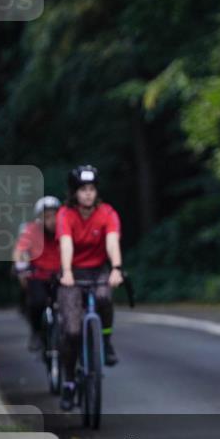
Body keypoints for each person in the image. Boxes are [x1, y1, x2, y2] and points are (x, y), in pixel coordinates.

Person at [56, 165, 124, 411]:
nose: (87, 194)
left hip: (99, 271)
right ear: (74, 192)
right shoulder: (65, 214)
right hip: (72, 273)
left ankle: (105, 342)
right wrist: (66, 272)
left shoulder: (107, 213)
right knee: (72, 331)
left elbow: (112, 242)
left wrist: (116, 268)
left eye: (91, 189)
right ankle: (70, 382)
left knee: (105, 298)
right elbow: (66, 244)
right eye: (82, 190)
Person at [12, 196, 62, 351]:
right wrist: (20, 267)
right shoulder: (32, 230)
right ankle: (36, 332)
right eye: (47, 217)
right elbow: (19, 251)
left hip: (61, 276)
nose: (52, 220)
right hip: (39, 275)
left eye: (55, 215)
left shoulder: (64, 230)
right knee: (37, 302)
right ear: (40, 218)